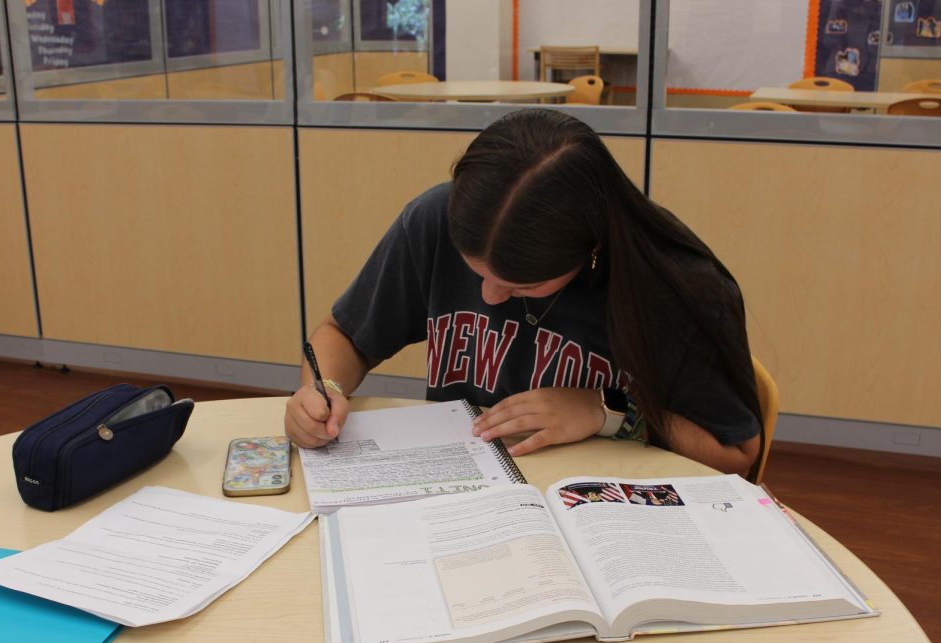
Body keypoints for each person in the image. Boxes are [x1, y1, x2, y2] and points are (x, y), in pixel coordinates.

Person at [286, 108, 763, 476]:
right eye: (476, 275)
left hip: (606, 517)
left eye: (522, 285)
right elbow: (343, 336)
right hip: (470, 497)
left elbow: (735, 453)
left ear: (591, 249)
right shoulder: (436, 221)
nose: (490, 296)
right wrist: (322, 389)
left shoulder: (678, 287)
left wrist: (606, 412)